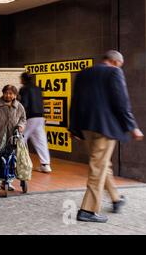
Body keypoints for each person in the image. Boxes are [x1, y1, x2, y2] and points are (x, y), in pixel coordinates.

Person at [69, 50, 144, 223]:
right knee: (98, 167)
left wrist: (74, 128)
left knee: (102, 164)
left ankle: (116, 198)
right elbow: (122, 102)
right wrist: (132, 126)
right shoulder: (114, 72)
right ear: (115, 62)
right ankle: (87, 210)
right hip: (105, 128)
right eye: (120, 65)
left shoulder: (83, 73)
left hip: (87, 127)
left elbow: (75, 101)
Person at [0, 85, 27, 191]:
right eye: (6, 93)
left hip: (12, 137)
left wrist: (21, 126)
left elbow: (23, 118)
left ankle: (7, 181)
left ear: (15, 95)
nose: (8, 95)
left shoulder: (19, 106)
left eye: (11, 93)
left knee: (11, 159)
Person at [19, 72, 52, 173]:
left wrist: (19, 116)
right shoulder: (38, 88)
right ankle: (45, 164)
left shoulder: (24, 89)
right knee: (41, 141)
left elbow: (24, 104)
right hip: (40, 117)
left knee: (19, 139)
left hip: (30, 117)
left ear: (23, 79)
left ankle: (17, 162)